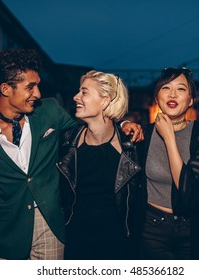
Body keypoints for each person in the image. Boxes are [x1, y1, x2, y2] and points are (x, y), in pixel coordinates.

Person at [0, 49, 143, 260]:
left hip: (52, 226)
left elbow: (91, 128)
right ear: (6, 89)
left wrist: (123, 123)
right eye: (30, 87)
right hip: (7, 234)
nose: (37, 93)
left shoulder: (50, 111)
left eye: (37, 85)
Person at [57, 70, 142, 260]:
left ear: (105, 101)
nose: (76, 97)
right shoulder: (67, 141)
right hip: (76, 241)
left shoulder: (131, 147)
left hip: (117, 244)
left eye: (84, 92)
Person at [137, 67, 199, 259]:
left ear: (191, 100)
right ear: (157, 98)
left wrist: (169, 138)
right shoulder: (143, 135)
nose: (172, 94)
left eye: (181, 89)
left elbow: (190, 193)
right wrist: (123, 124)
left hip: (192, 228)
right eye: (166, 88)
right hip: (151, 228)